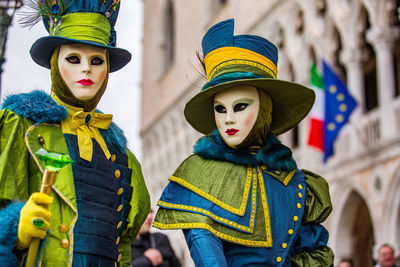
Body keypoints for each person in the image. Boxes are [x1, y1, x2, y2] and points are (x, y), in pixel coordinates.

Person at [153, 19, 334, 266]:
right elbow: (205, 250)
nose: (228, 119)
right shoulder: (200, 176)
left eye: (240, 107)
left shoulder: (297, 183)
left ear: (264, 111)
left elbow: (308, 254)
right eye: (220, 109)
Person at [0, 0, 150, 266]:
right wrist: (15, 230)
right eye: (73, 58)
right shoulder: (22, 126)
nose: (86, 69)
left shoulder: (119, 153)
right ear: (55, 62)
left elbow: (123, 245)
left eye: (96, 60)